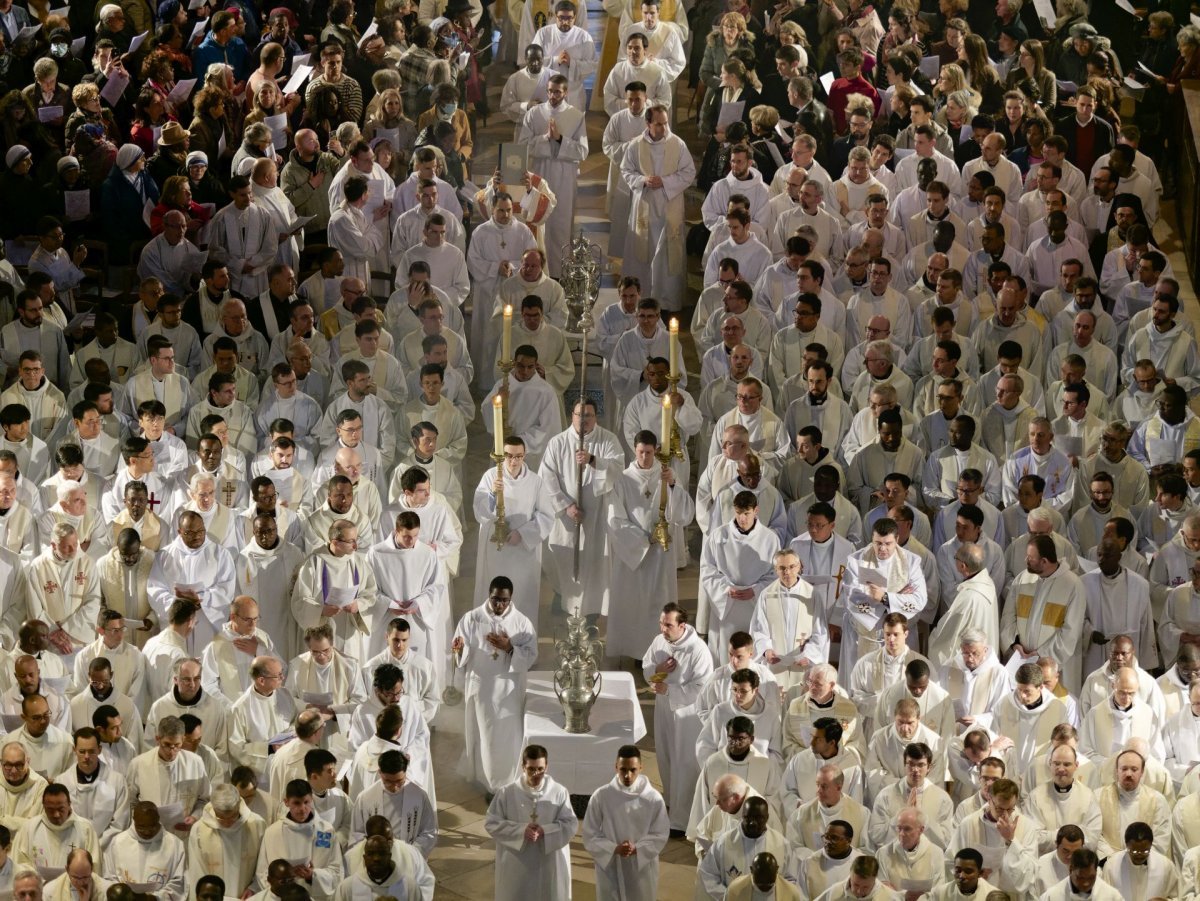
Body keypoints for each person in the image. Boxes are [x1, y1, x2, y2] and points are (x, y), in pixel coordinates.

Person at [451, 577, 537, 793]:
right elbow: (460, 652)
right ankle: (485, 780)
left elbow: (532, 656)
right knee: (484, 736)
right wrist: (458, 649)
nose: (499, 605)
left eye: (504, 600)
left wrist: (509, 648)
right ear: (489, 596)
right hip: (482, 688)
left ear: (511, 599)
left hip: (508, 691)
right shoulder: (472, 618)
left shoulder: (522, 623)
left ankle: (506, 781)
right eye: (495, 599)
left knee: (506, 738)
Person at [619, 104, 695, 312]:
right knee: (642, 252)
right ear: (648, 124)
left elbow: (689, 173)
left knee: (668, 254)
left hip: (669, 206)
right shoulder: (635, 145)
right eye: (658, 124)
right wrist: (643, 180)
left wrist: (665, 182)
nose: (663, 128)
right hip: (644, 206)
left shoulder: (677, 144)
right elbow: (626, 171)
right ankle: (640, 299)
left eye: (665, 123)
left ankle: (668, 300)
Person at [483, 744, 576, 901]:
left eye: (540, 769)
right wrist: (520, 831)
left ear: (547, 766)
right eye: (531, 769)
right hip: (517, 863)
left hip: (549, 862)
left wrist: (544, 831)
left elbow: (570, 825)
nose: (536, 774)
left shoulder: (559, 792)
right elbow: (491, 822)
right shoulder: (507, 793)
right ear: (523, 767)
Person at [518, 74, 587, 276]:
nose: (553, 95)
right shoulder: (534, 114)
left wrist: (559, 140)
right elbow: (523, 145)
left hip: (564, 177)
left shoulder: (576, 116)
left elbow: (582, 151)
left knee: (560, 224)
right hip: (540, 172)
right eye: (549, 91)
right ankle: (536, 269)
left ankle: (558, 273)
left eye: (557, 91)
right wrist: (545, 139)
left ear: (565, 92)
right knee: (538, 221)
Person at [581, 745, 669, 901]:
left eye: (633, 770)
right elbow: (590, 833)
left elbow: (660, 833)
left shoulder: (653, 799)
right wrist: (614, 848)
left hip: (640, 868)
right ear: (616, 767)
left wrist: (637, 848)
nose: (628, 775)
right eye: (623, 769)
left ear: (641, 768)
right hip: (610, 866)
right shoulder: (601, 796)